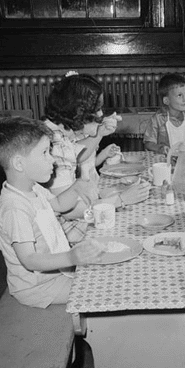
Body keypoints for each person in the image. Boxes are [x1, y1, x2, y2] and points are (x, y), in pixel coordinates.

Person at [0, 117, 112, 308]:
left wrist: (77, 186)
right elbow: (30, 260)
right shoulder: (14, 207)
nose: (53, 159)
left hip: (57, 273)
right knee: (101, 290)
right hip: (38, 288)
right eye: (45, 153)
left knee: (107, 274)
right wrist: (71, 257)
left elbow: (59, 204)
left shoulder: (34, 188)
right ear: (19, 164)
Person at [41, 71, 148, 243]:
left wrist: (98, 133)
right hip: (61, 233)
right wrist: (120, 200)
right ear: (78, 109)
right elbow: (70, 210)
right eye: (96, 108)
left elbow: (79, 157)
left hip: (68, 220)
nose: (100, 115)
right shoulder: (55, 143)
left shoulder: (59, 130)